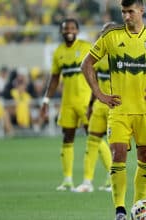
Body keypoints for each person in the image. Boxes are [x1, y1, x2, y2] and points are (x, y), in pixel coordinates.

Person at [80, 1, 146, 219]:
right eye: (123, 12)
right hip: (119, 110)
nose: (126, 16)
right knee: (118, 154)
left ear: (141, 11)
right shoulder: (111, 37)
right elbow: (86, 64)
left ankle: (138, 204)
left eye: (130, 11)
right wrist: (99, 94)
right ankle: (119, 210)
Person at [40, 18, 103, 191]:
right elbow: (54, 79)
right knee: (67, 137)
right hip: (67, 102)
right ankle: (67, 179)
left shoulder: (85, 47)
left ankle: (109, 177)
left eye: (72, 28)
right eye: (66, 28)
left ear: (77, 30)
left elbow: (97, 71)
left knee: (94, 136)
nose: (69, 30)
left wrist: (96, 96)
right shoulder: (58, 52)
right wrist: (46, 100)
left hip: (85, 100)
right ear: (61, 31)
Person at [73, 22, 119, 193]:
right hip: (100, 106)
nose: (101, 36)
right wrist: (91, 105)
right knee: (92, 142)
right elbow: (95, 84)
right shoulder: (98, 57)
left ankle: (113, 181)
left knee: (116, 146)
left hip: (117, 107)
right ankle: (87, 182)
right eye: (101, 33)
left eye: (105, 33)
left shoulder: (124, 54)